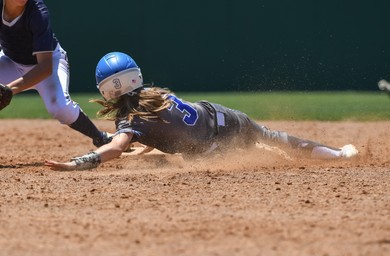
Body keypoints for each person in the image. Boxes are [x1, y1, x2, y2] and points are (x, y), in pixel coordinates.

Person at [45, 52, 359, 171]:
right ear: (136, 76)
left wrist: (80, 162)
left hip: (212, 149)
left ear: (105, 90)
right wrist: (141, 151)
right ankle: (339, 155)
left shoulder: (129, 119)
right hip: (224, 116)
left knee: (183, 161)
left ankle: (278, 158)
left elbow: (115, 146)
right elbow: (164, 125)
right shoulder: (156, 94)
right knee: (271, 136)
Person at [0, 0, 111, 147]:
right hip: (10, 61)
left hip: (49, 63)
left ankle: (100, 137)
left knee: (60, 107)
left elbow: (45, 67)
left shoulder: (37, 12)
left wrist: (9, 90)